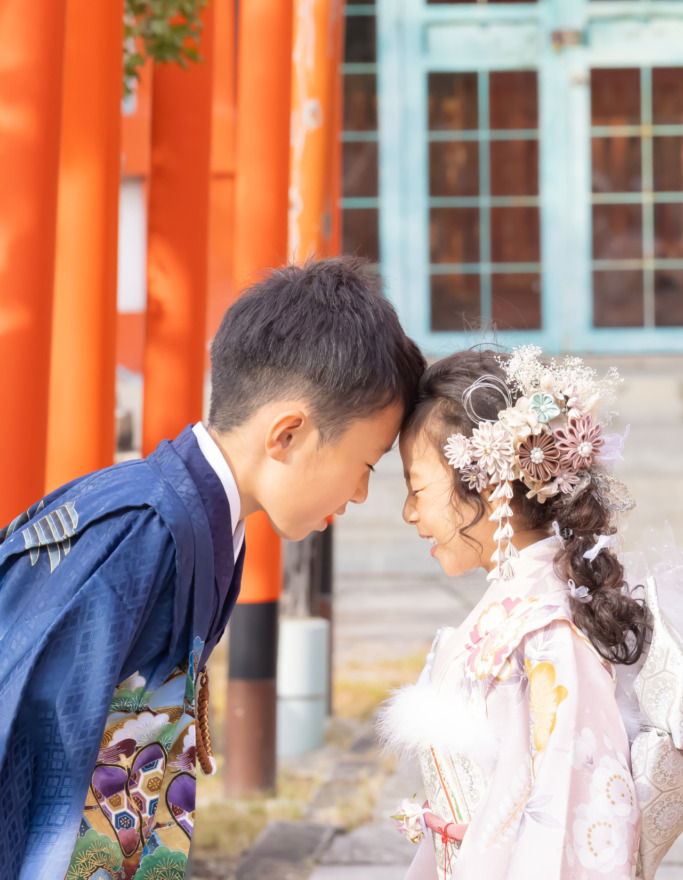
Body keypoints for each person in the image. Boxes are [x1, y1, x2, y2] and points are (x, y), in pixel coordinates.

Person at [0, 257, 425, 880]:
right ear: (286, 434)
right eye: (365, 464)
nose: (360, 494)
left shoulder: (195, 520)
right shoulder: (140, 528)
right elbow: (35, 739)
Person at [382, 346, 682, 880]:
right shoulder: (526, 616)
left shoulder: (546, 633)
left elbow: (570, 829)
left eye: (416, 488)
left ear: (487, 485)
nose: (409, 512)